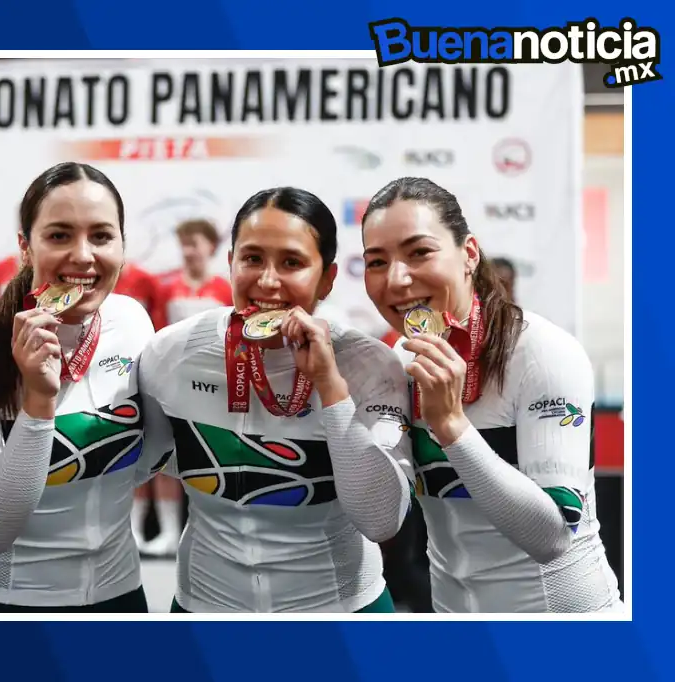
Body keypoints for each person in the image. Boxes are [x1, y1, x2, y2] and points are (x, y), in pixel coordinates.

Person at [138, 187, 413, 613]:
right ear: (230, 262)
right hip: (205, 611)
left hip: (343, 614)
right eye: (252, 259)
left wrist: (331, 387)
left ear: (328, 278)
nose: (267, 281)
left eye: (291, 263)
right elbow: (138, 466)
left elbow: (380, 520)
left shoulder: (368, 364)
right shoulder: (173, 351)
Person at [360, 176, 622, 612]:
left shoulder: (542, 352)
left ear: (469, 254)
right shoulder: (400, 358)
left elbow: (552, 537)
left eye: (419, 252)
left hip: (561, 627)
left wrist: (452, 426)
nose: (397, 279)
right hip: (458, 623)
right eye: (376, 262)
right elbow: (380, 518)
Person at [0, 162, 173, 613]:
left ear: (122, 244)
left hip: (118, 601)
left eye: (101, 236)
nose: (83, 256)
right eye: (59, 235)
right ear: (25, 246)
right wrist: (39, 403)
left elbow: (149, 457)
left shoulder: (131, 321)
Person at [134, 219, 233, 557]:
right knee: (166, 456)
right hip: (172, 382)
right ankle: (168, 533)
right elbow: (158, 334)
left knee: (209, 458)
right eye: (184, 244)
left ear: (211, 247)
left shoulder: (225, 289)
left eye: (195, 243)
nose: (189, 251)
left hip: (214, 386)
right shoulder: (169, 288)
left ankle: (210, 532)